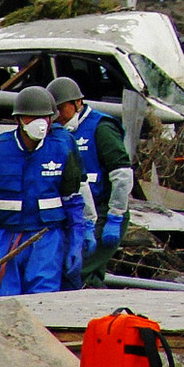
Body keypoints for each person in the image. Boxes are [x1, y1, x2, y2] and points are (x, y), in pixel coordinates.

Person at [0, 85, 92, 296]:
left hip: (46, 239)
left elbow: (73, 200)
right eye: (31, 117)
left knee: (43, 298)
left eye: (45, 118)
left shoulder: (62, 148)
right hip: (6, 238)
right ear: (18, 119)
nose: (39, 124)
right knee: (3, 299)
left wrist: (77, 239)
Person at [49, 77, 134, 288]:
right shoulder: (60, 133)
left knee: (76, 270)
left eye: (60, 109)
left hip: (105, 212)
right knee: (89, 274)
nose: (56, 116)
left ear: (77, 103)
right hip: (79, 213)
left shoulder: (101, 128)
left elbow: (122, 174)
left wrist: (115, 217)